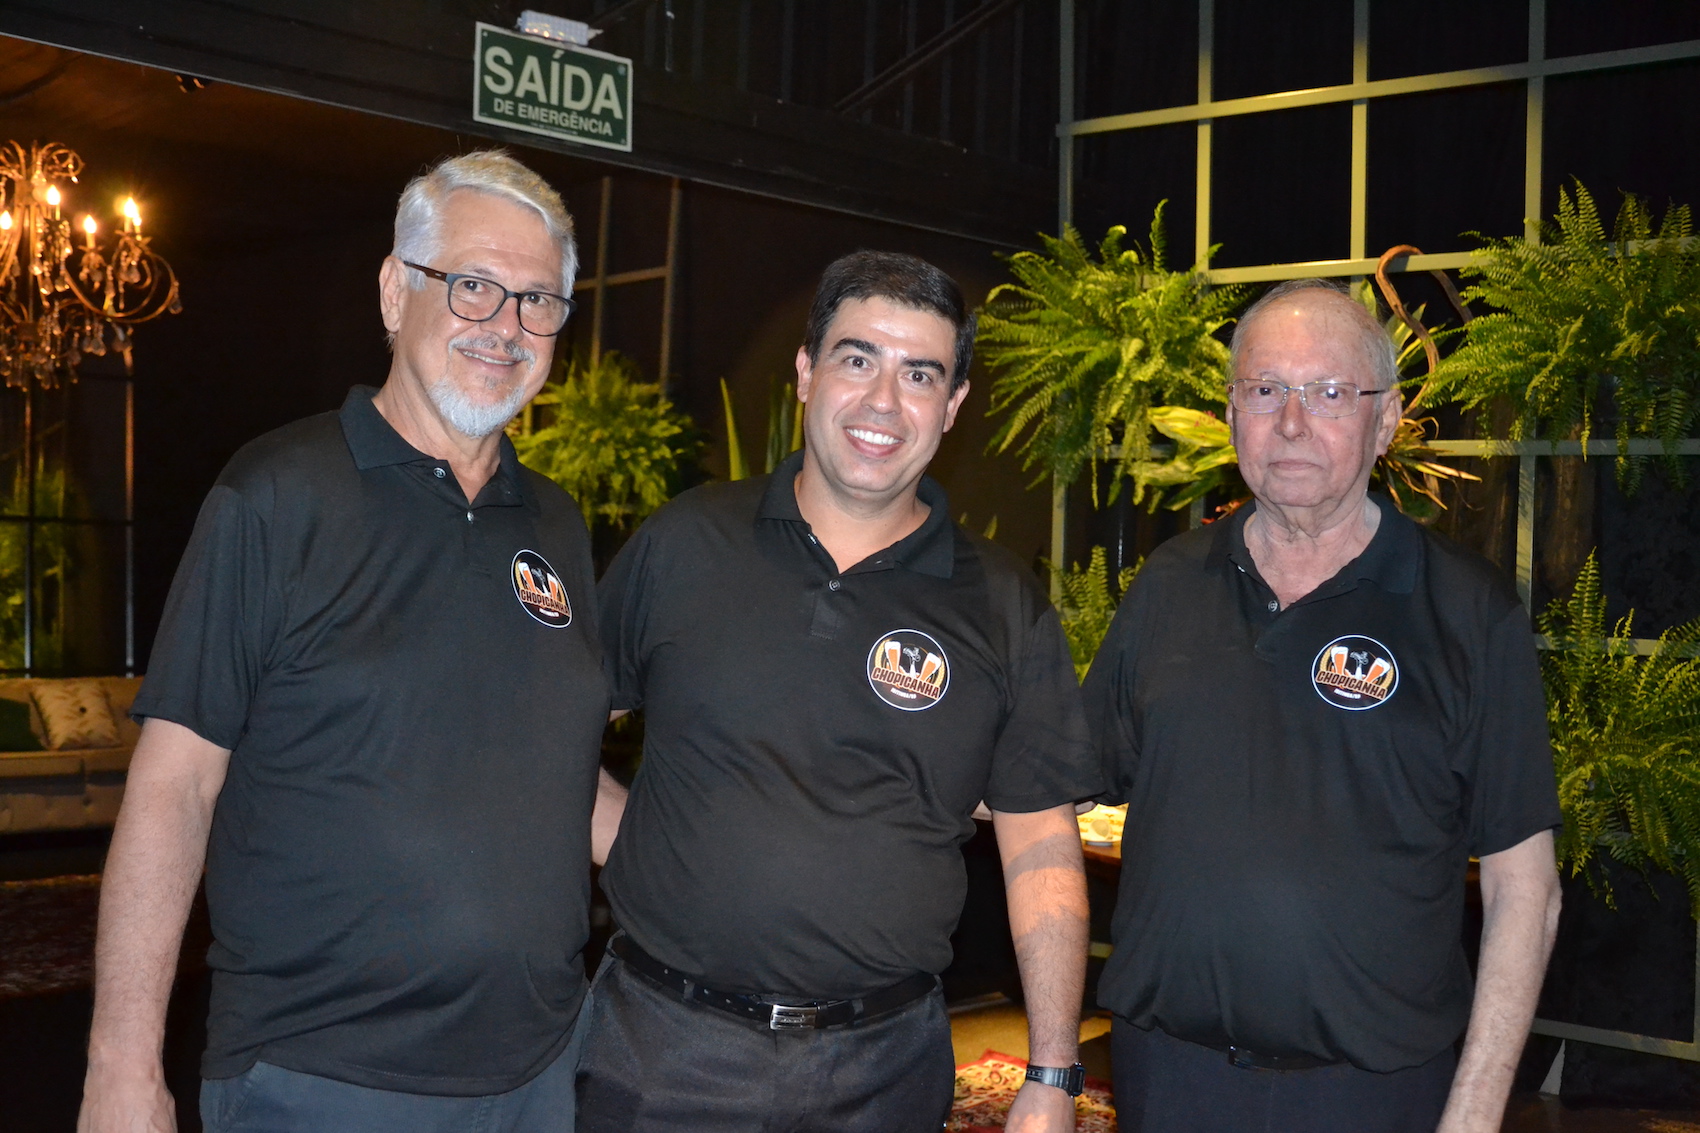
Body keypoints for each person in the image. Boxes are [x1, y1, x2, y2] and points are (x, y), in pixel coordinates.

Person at [77, 150, 608, 1133]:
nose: (506, 325)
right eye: (474, 285)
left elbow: (565, 778)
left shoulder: (558, 525)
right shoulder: (278, 494)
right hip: (320, 1082)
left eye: (538, 300)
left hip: (540, 1074)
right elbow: (175, 785)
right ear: (396, 291)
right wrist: (120, 1066)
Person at [578, 251, 1101, 1133]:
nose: (883, 401)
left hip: (884, 1071)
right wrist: (641, 846)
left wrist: (1052, 1070)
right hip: (662, 1050)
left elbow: (1040, 844)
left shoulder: (1003, 603)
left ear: (953, 405)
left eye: (920, 374)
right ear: (806, 371)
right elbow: (551, 729)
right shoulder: (687, 543)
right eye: (858, 358)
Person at [1082, 278, 1564, 1133]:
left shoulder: (1467, 611)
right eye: (1267, 390)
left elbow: (1527, 888)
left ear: (1387, 421)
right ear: (1232, 412)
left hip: (1372, 1094)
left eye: (1331, 392)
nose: (1294, 422)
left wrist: (1475, 1112)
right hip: (1168, 1078)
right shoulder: (1170, 584)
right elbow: (1060, 775)